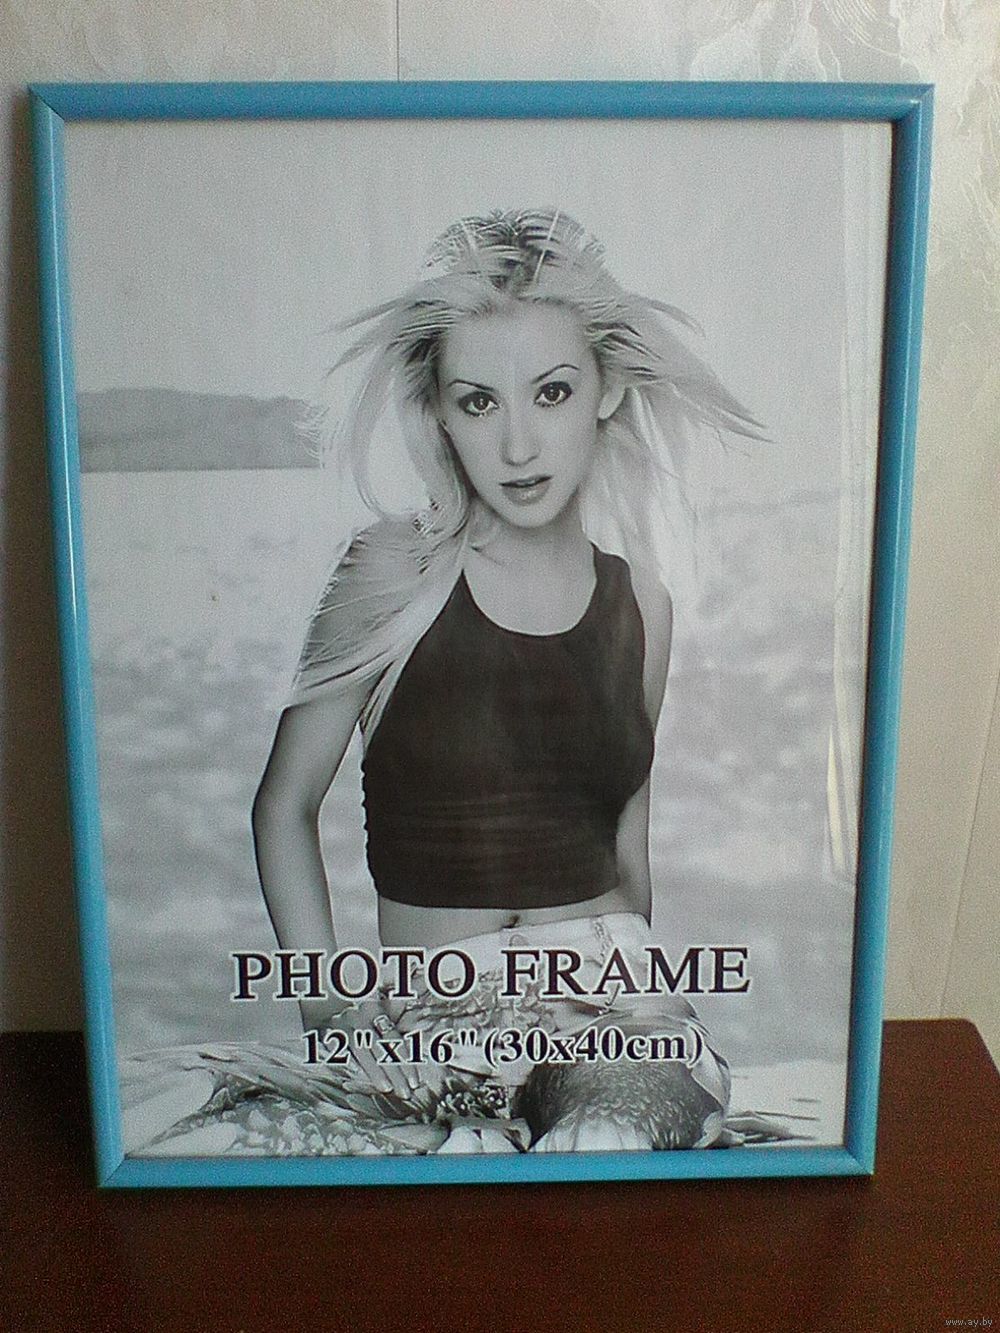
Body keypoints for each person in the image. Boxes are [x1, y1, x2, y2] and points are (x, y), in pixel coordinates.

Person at [128, 209, 765, 1157]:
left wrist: (646, 1027)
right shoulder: (390, 575)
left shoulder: (645, 606)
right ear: (439, 412)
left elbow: (628, 850)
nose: (518, 446)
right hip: (434, 1014)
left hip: (616, 1009)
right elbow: (284, 805)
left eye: (551, 392)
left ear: (608, 389)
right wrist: (331, 1013)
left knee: (600, 1142)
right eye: (479, 402)